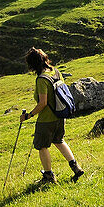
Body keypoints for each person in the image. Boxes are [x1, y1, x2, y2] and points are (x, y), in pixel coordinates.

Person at [22, 47, 84, 185]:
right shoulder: (55, 71)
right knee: (59, 140)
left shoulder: (41, 79)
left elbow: (43, 103)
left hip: (46, 120)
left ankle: (49, 176)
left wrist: (29, 115)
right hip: (60, 115)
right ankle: (75, 167)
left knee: (42, 146)